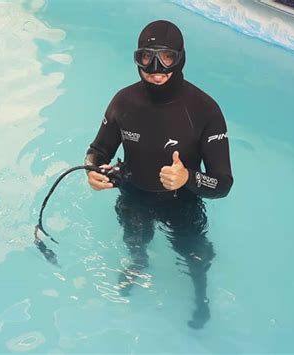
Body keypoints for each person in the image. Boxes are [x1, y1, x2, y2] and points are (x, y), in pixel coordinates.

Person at [84, 20, 233, 329]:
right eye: (146, 57)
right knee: (135, 240)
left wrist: (188, 178)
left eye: (166, 57)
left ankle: (200, 296)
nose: (155, 67)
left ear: (180, 58)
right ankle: (138, 264)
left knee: (195, 258)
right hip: (133, 194)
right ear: (136, 58)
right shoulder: (123, 102)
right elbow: (98, 150)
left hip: (182, 202)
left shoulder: (205, 110)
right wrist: (92, 170)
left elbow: (222, 183)